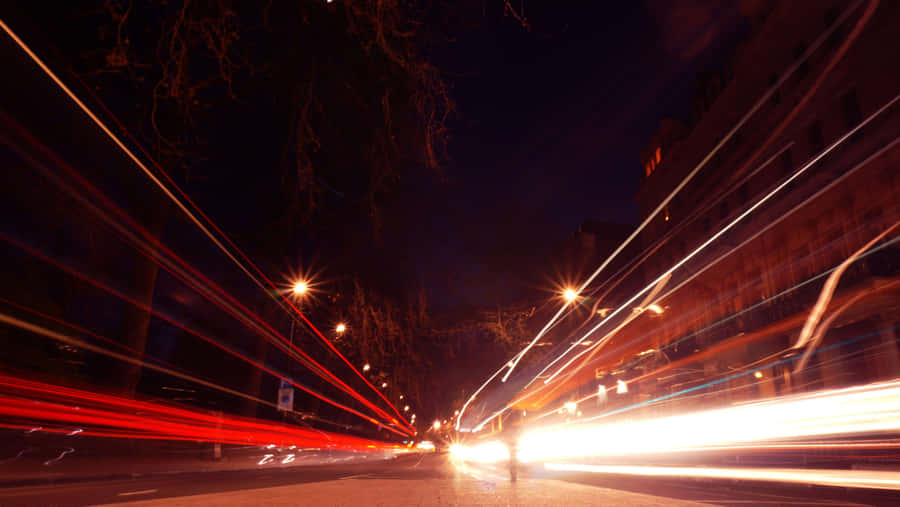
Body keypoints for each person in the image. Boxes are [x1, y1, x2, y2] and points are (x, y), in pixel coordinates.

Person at [500, 412, 522, 482]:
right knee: (513, 465)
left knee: (513, 465)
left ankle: (513, 477)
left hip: (512, 453)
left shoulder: (509, 432)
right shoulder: (514, 433)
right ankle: (513, 477)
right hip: (513, 454)